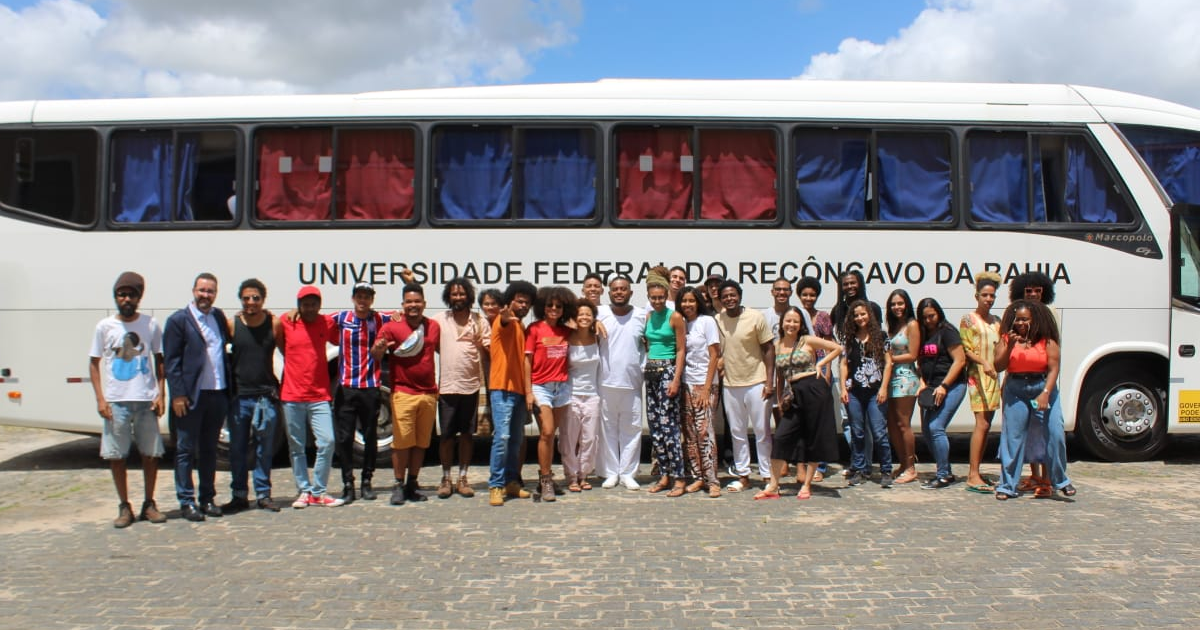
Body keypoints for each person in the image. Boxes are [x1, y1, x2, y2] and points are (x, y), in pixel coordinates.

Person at [89, 272, 167, 528]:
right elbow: (94, 363)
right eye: (121, 295)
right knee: (117, 455)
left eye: (131, 295)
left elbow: (160, 359)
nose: (126, 299)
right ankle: (124, 505)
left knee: (151, 454)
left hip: (145, 400)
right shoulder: (105, 327)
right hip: (117, 402)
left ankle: (149, 503)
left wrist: (161, 393)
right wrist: (101, 399)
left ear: (138, 298)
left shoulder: (150, 324)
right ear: (116, 298)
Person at [164, 272, 232, 521]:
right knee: (185, 449)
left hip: (217, 393)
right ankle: (186, 501)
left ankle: (207, 499)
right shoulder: (179, 320)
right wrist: (178, 394)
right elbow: (171, 362)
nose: (206, 295)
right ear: (194, 291)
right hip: (192, 397)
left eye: (210, 291)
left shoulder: (218, 317)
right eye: (202, 290)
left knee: (209, 450)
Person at [993, 300, 1076, 500]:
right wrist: (1010, 345)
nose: (1020, 323)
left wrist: (1046, 392)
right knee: (1012, 438)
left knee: (1055, 432)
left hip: (1042, 386)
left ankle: (1060, 480)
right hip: (1016, 388)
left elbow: (1054, 368)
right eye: (1017, 319)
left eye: (1025, 319)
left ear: (1034, 320)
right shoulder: (1006, 339)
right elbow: (998, 366)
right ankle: (1007, 485)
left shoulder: (1047, 341)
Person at [757, 307, 841, 500]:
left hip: (814, 388)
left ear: (801, 324)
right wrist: (779, 400)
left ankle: (806, 484)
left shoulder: (807, 340)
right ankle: (773, 485)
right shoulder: (777, 346)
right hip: (793, 393)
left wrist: (821, 364)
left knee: (813, 437)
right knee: (781, 436)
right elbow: (779, 376)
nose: (791, 325)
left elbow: (837, 348)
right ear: (782, 323)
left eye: (795, 321)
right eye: (788, 321)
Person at [275, 286, 344, 508]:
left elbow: (342, 335)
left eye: (314, 303)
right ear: (299, 305)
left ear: (320, 304)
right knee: (296, 446)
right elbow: (270, 325)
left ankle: (319, 491)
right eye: (305, 303)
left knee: (327, 441)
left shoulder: (326, 323)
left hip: (319, 395)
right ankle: (304, 490)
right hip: (292, 394)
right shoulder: (287, 321)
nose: (310, 307)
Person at [373, 283, 440, 506]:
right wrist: (380, 348)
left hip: (429, 393)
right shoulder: (392, 327)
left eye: (417, 301)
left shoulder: (433, 327)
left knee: (421, 443)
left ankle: (413, 482)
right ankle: (398, 484)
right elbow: (375, 353)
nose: (413, 305)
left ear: (424, 304)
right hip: (403, 392)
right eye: (409, 302)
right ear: (403, 305)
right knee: (401, 443)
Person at [223, 278, 281, 513]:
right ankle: (238, 495)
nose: (251, 302)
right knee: (237, 449)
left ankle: (263, 494)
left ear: (263, 300)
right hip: (239, 397)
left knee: (264, 450)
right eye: (246, 298)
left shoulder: (274, 324)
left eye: (255, 298)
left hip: (265, 397)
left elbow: (287, 351)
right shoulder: (233, 325)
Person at [330, 282, 390, 504]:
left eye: (367, 296)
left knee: (370, 436)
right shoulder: (341, 318)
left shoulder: (379, 319)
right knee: (344, 437)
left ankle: (367, 480)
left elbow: (402, 316)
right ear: (353, 298)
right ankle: (348, 483)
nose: (363, 300)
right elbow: (316, 321)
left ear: (372, 299)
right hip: (346, 387)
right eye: (359, 296)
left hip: (370, 386)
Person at [715, 280, 775, 493]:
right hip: (731, 384)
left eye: (733, 295)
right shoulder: (717, 320)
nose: (729, 299)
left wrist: (770, 381)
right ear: (720, 300)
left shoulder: (755, 317)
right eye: (725, 296)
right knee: (737, 432)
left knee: (762, 431)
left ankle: (768, 476)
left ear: (740, 296)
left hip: (756, 382)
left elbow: (768, 349)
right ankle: (743, 476)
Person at [432, 277, 489, 499]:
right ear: (449, 297)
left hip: (470, 386)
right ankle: (445, 478)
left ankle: (463, 477)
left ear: (469, 296)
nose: (458, 298)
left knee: (466, 434)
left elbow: (487, 349)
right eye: (454, 294)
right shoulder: (439, 320)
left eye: (462, 294)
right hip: (447, 386)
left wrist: (479, 345)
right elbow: (429, 342)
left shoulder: (479, 321)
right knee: (446, 435)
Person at [484, 281, 537, 506]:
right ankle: (495, 485)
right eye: (519, 300)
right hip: (501, 389)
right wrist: (505, 316)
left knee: (516, 440)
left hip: (517, 390)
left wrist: (527, 392)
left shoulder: (522, 327)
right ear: (510, 301)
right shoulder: (503, 320)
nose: (523, 305)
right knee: (502, 438)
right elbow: (504, 321)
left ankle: (511, 481)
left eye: (527, 302)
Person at [1008, 271, 1059, 493]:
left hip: (1042, 380)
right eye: (1029, 290)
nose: (1033, 294)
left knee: (1044, 430)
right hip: (1019, 380)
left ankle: (1047, 479)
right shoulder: (1017, 314)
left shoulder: (1050, 313)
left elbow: (1054, 351)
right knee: (1029, 432)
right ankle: (1035, 476)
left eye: (1038, 290)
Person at [597, 275, 648, 490]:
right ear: (609, 292)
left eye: (623, 289)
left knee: (632, 428)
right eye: (615, 289)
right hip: (606, 381)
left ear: (630, 292)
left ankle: (628, 473)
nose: (619, 292)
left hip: (632, 382)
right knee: (607, 429)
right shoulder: (599, 314)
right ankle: (610, 472)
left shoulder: (641, 316)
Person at [526, 286, 576, 501]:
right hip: (540, 386)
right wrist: (528, 391)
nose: (554, 309)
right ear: (542, 307)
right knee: (546, 432)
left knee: (552, 434)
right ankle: (546, 479)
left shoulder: (567, 332)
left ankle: (544, 477)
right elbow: (526, 361)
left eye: (558, 306)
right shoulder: (534, 329)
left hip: (562, 387)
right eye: (549, 305)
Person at [839, 300, 894, 488]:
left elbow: (888, 363)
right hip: (855, 391)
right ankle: (860, 469)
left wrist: (884, 388)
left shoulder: (881, 336)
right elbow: (844, 364)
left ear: (869, 314)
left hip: (875, 392)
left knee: (879, 433)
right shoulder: (849, 338)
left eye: (863, 314)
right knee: (857, 432)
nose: (860, 318)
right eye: (856, 315)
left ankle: (886, 470)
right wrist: (843, 389)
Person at [643, 273, 688, 497]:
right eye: (653, 297)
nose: (657, 301)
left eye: (661, 297)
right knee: (655, 426)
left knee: (669, 425)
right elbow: (646, 343)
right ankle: (664, 474)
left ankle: (679, 477)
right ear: (649, 297)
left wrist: (676, 378)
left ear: (665, 296)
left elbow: (681, 349)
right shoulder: (648, 316)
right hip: (651, 371)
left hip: (668, 371)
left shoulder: (675, 317)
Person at [915, 297, 967, 489]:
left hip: (952, 385)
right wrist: (922, 382)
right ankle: (944, 470)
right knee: (927, 430)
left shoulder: (948, 332)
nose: (929, 320)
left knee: (936, 427)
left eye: (932, 316)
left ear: (939, 313)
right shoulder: (922, 334)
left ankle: (943, 475)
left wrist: (944, 386)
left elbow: (960, 360)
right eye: (925, 317)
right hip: (930, 387)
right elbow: (919, 362)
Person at [677, 285, 722, 497]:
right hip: (686, 383)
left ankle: (713, 480)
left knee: (706, 432)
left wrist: (706, 388)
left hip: (705, 384)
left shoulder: (707, 321)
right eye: (684, 301)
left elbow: (715, 354)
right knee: (691, 433)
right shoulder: (682, 323)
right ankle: (697, 477)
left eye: (691, 301)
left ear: (698, 302)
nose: (688, 305)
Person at [960, 272, 1003, 493]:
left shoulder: (997, 321)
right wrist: (984, 362)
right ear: (977, 296)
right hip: (977, 376)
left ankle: (977, 470)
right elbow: (965, 349)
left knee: (988, 425)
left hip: (994, 376)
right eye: (985, 295)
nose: (988, 299)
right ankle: (972, 473)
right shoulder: (969, 320)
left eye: (992, 296)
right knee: (982, 423)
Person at [796, 276, 836, 482]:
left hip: (819, 374)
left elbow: (829, 345)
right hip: (800, 374)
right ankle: (801, 467)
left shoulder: (823, 317)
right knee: (802, 423)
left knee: (819, 423)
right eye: (805, 294)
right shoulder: (795, 316)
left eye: (812, 294)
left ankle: (820, 466)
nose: (808, 298)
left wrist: (828, 373)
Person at [563, 298, 601, 492]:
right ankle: (571, 476)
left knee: (590, 438)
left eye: (588, 314)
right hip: (571, 395)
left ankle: (584, 474)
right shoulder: (566, 337)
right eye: (580, 314)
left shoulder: (598, 337)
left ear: (593, 317)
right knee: (570, 438)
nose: (584, 317)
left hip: (592, 395)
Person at [884, 289, 921, 484]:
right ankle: (902, 464)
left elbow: (913, 355)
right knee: (892, 425)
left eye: (900, 303)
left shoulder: (912, 325)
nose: (897, 307)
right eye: (893, 304)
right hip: (891, 378)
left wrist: (889, 359)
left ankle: (911, 467)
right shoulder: (893, 325)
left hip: (905, 377)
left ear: (907, 304)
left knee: (903, 423)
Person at [476, 288, 504, 437]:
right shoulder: (480, 323)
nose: (490, 307)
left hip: (504, 376)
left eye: (494, 303)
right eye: (486, 304)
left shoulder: (508, 323)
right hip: (487, 376)